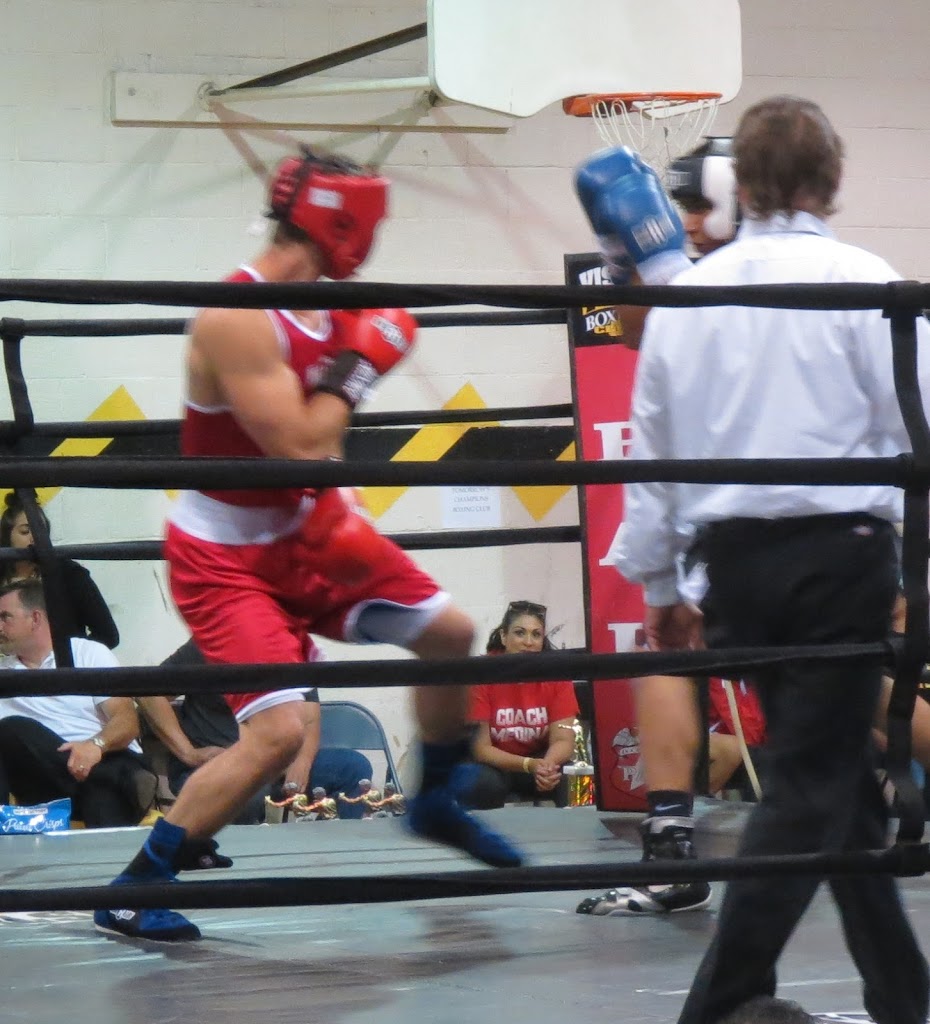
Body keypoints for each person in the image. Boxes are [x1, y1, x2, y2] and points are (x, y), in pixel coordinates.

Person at [95, 147, 521, 944]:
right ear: (344, 222)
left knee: (452, 635)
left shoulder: (329, 310)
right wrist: (362, 367)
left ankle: (434, 799)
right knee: (280, 733)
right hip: (226, 557)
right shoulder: (236, 317)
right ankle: (134, 886)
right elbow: (296, 441)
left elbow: (317, 453)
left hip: (307, 531)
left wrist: (342, 498)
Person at [607, 95, 929, 1023]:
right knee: (812, 782)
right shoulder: (869, 282)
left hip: (735, 569)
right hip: (839, 558)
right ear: (834, 180)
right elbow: (921, 423)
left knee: (838, 784)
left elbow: (656, 451)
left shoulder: (689, 298)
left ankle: (903, 995)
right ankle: (721, 1004)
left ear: (738, 187)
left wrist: (662, 584)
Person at [574, 138, 737, 916]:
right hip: (814, 526)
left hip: (743, 524)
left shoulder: (719, 287)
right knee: (858, 678)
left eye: (700, 205)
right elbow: (637, 326)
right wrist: (627, 259)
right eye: (682, 208)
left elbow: (642, 332)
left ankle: (670, 848)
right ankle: (669, 847)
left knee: (666, 652)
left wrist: (635, 258)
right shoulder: (819, 277)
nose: (688, 221)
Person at [136, 638, 374, 822]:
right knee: (250, 795)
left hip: (276, 765)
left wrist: (302, 760)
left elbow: (310, 718)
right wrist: (189, 753)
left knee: (353, 768)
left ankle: (341, 858)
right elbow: (150, 693)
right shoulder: (210, 644)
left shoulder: (293, 646)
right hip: (217, 768)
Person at [0, 579, 153, 827]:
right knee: (10, 729)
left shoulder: (87, 652)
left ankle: (115, 780)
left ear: (35, 618)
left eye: (5, 617)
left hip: (103, 758)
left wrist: (94, 746)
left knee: (102, 793)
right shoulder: (3, 673)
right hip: (49, 783)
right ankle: (123, 780)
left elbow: (127, 722)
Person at [457, 600, 579, 809]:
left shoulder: (556, 674)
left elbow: (563, 739)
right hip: (493, 764)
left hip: (539, 761)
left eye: (536, 635)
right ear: (504, 636)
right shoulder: (481, 674)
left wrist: (547, 767)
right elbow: (481, 748)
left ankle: (576, 830)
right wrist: (528, 765)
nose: (528, 642)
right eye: (520, 633)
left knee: (571, 778)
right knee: (482, 783)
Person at [0, 490, 119, 649]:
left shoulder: (69, 574)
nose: (34, 538)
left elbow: (108, 635)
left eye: (41, 531)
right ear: (7, 536)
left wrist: (71, 657)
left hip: (62, 662)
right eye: (25, 531)